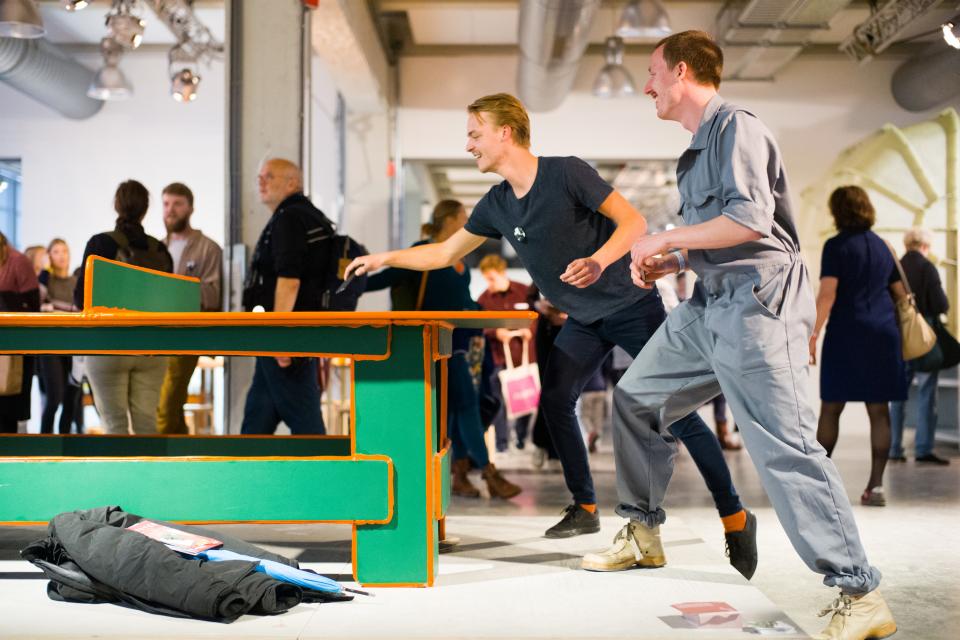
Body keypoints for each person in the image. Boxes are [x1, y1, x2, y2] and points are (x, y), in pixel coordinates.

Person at [345, 93, 756, 580]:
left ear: (505, 133)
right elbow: (443, 252)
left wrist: (600, 261)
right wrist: (384, 259)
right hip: (581, 319)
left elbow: (635, 222)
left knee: (673, 412)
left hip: (630, 306)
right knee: (557, 397)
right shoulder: (497, 204)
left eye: (475, 133)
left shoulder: (566, 173)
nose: (469, 144)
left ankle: (734, 516)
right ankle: (585, 505)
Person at [601, 31, 894, 640]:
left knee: (784, 447)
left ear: (681, 71)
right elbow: (723, 239)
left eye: (653, 74)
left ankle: (859, 592)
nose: (647, 86)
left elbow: (751, 219)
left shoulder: (738, 126)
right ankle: (642, 531)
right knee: (637, 397)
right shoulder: (693, 152)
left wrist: (666, 239)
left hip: (761, 309)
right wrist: (673, 262)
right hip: (710, 305)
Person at [364, 202, 521, 499]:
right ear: (449, 219)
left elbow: (460, 298)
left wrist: (477, 312)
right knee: (464, 406)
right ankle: (487, 473)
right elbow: (390, 277)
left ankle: (460, 474)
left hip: (462, 342)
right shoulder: (423, 249)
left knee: (454, 409)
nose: (467, 219)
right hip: (433, 343)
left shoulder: (458, 253)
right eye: (463, 215)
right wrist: (351, 279)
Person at [811, 186, 908, 506]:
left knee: (832, 407)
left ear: (837, 210)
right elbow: (900, 295)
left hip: (846, 334)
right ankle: (876, 487)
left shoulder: (836, 247)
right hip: (883, 334)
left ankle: (820, 484)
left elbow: (828, 295)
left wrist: (812, 333)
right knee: (879, 411)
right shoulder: (884, 247)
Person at [74, 180, 173, 435]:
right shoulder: (160, 250)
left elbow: (81, 297)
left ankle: (118, 475)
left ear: (116, 206)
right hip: (152, 347)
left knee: (113, 424)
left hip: (108, 344)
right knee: (146, 423)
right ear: (146, 209)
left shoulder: (99, 244)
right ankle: (149, 474)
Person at [240, 158, 327, 435]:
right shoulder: (305, 215)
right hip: (285, 337)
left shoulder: (290, 218)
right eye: (259, 177)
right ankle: (246, 472)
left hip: (287, 339)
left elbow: (289, 281)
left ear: (292, 182)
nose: (261, 182)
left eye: (269, 176)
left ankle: (325, 476)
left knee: (308, 430)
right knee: (257, 419)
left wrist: (280, 337)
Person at [156, 182, 223, 435]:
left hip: (187, 335)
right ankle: (178, 456)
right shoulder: (157, 247)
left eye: (177, 204)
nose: (170, 210)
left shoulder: (209, 249)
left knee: (166, 404)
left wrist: (175, 291)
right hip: (156, 336)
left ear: (190, 208)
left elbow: (213, 295)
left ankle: (160, 462)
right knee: (167, 406)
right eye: (166, 204)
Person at [889, 227, 950, 465]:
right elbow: (940, 303)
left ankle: (895, 448)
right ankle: (923, 449)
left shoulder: (896, 267)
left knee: (897, 395)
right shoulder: (928, 267)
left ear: (906, 245)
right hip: (924, 340)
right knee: (926, 393)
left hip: (899, 339)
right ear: (925, 246)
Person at [476, 253, 536, 451]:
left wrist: (530, 330)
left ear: (502, 273)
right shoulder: (484, 299)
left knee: (526, 398)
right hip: (497, 357)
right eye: (486, 279)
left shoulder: (523, 291)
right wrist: (495, 332)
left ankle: (520, 437)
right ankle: (502, 445)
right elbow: (480, 326)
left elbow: (537, 316)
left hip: (524, 356)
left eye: (492, 278)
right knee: (498, 401)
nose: (490, 283)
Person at [37, 238, 81, 434]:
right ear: (49, 256)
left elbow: (81, 311)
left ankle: (66, 444)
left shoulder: (76, 282)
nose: (61, 255)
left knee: (72, 398)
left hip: (74, 347)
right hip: (51, 345)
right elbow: (39, 301)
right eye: (56, 251)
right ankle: (44, 446)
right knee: (54, 398)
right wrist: (45, 271)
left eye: (64, 251)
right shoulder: (45, 280)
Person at [0, 232, 40, 433]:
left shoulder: (18, 262)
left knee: (8, 411)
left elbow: (33, 307)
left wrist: (5, 298)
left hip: (13, 346)